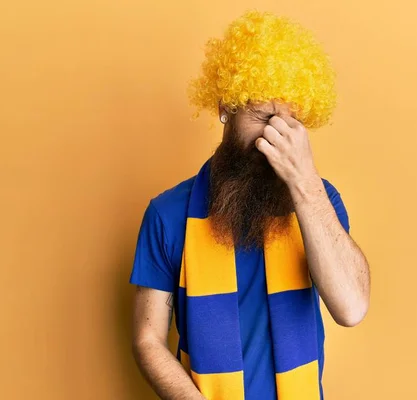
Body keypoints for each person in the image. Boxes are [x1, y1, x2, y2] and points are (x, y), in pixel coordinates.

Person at [130, 10, 370, 400]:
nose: (278, 134)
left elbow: (352, 308)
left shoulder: (319, 201)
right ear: (227, 105)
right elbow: (147, 338)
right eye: (264, 115)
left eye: (291, 121)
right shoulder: (167, 214)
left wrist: (305, 184)